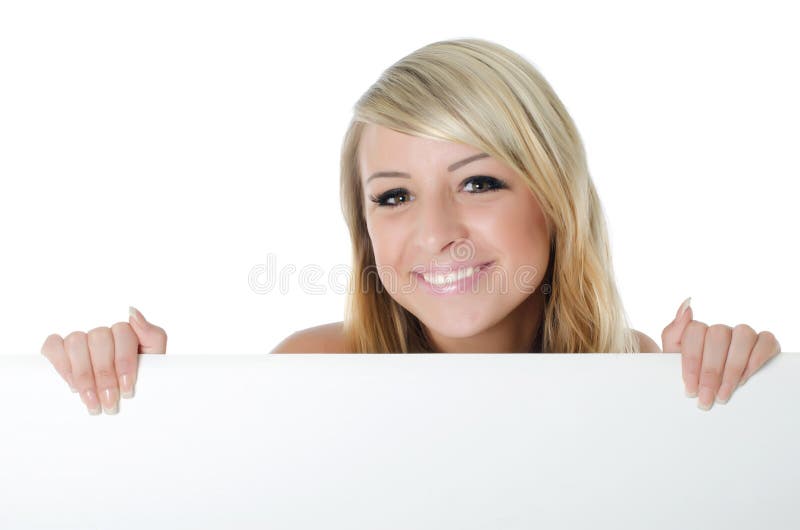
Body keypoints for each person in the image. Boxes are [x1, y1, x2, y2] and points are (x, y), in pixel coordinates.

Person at [40, 38, 781, 416]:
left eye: (479, 182)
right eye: (393, 197)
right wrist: (144, 406)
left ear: (555, 201)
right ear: (364, 229)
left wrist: (744, 394)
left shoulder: (642, 378)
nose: (435, 232)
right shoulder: (310, 376)